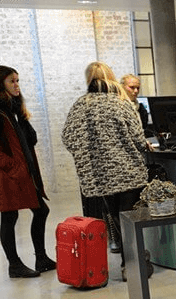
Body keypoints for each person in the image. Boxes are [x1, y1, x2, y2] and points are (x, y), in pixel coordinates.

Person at [62, 61, 150, 271]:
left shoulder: (80, 105)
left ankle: (127, 265)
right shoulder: (121, 103)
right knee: (130, 220)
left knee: (116, 222)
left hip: (99, 177)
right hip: (128, 173)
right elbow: (138, 138)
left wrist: (89, 154)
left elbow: (68, 137)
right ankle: (132, 266)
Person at [0, 66, 55, 278]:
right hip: (6, 174)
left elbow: (29, 140)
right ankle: (14, 265)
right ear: (1, 84)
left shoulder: (12, 109)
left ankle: (41, 258)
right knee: (9, 217)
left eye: (18, 80)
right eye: (12, 81)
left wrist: (23, 117)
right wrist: (12, 166)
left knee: (40, 210)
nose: (17, 85)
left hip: (23, 173)